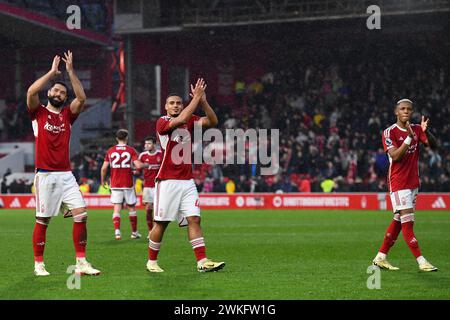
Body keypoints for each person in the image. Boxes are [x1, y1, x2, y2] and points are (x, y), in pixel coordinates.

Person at [26, 51, 100, 276]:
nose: (58, 93)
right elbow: (30, 91)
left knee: (81, 215)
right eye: (55, 90)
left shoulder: (68, 115)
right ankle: (39, 264)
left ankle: (81, 263)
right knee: (43, 220)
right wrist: (51, 73)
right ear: (49, 92)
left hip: (66, 175)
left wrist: (70, 72)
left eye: (62, 92)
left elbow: (82, 98)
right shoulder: (38, 113)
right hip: (46, 175)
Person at [147, 78, 225, 273]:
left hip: (187, 181)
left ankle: (202, 262)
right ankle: (151, 262)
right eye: (172, 103)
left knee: (194, 219)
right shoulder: (163, 122)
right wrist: (195, 99)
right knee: (162, 223)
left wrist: (203, 101)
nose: (175, 106)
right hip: (167, 180)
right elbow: (180, 119)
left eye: (178, 103)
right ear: (165, 107)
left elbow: (213, 121)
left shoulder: (190, 120)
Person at [373, 99, 438, 272]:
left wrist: (426, 131)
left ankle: (380, 257)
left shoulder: (416, 129)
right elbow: (395, 156)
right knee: (408, 223)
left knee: (398, 221)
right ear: (396, 111)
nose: (406, 111)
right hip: (398, 183)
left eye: (409, 109)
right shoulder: (389, 132)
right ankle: (421, 261)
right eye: (402, 109)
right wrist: (409, 137)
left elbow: (433, 146)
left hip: (413, 183)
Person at [100, 129, 148, 240]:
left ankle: (117, 232)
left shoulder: (111, 151)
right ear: (127, 138)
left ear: (116, 138)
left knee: (116, 208)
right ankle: (134, 233)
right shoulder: (130, 150)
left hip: (115, 183)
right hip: (127, 183)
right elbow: (139, 166)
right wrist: (145, 165)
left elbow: (103, 168)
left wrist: (103, 181)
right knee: (131, 207)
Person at [137, 136, 163, 239]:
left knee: (158, 211)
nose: (146, 145)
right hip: (147, 186)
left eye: (149, 143)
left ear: (154, 144)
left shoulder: (161, 155)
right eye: (145, 144)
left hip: (159, 186)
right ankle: (150, 231)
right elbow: (137, 170)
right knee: (148, 209)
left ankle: (157, 231)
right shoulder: (142, 156)